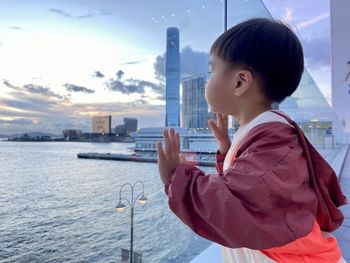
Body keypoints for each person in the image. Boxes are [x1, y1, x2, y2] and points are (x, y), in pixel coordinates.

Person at [156, 18, 348, 262]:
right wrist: (227, 150)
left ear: (240, 82)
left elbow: (236, 205)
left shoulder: (275, 139)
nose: (208, 79)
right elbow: (250, 182)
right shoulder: (266, 134)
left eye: (212, 70)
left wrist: (175, 177)